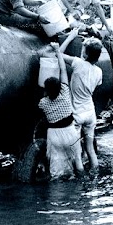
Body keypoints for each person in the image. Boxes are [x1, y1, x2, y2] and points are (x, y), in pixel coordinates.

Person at [59, 28, 103, 174]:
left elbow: (58, 54)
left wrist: (70, 37)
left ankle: (81, 180)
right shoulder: (99, 71)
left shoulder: (77, 63)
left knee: (77, 154)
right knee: (90, 150)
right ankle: (95, 178)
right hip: (90, 113)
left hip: (77, 114)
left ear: (84, 53)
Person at [38, 42, 84, 180]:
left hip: (54, 136)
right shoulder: (64, 92)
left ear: (46, 90)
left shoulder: (43, 103)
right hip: (70, 132)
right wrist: (58, 51)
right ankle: (83, 183)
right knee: (78, 162)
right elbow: (63, 70)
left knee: (56, 169)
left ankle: (57, 193)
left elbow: (45, 96)